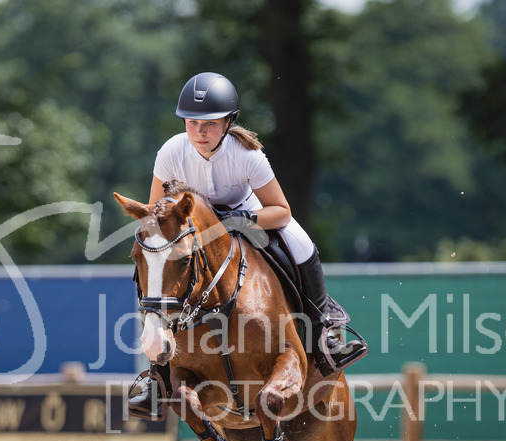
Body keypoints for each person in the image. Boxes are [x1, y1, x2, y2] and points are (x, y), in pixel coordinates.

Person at [128, 72, 366, 419]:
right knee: (154, 259)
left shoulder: (247, 155)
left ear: (228, 121)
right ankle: (157, 376)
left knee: (301, 244)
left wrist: (243, 222)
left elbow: (281, 211)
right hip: (195, 230)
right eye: (192, 123)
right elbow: (156, 217)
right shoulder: (170, 152)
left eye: (209, 123)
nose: (200, 132)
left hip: (248, 216)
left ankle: (324, 329)